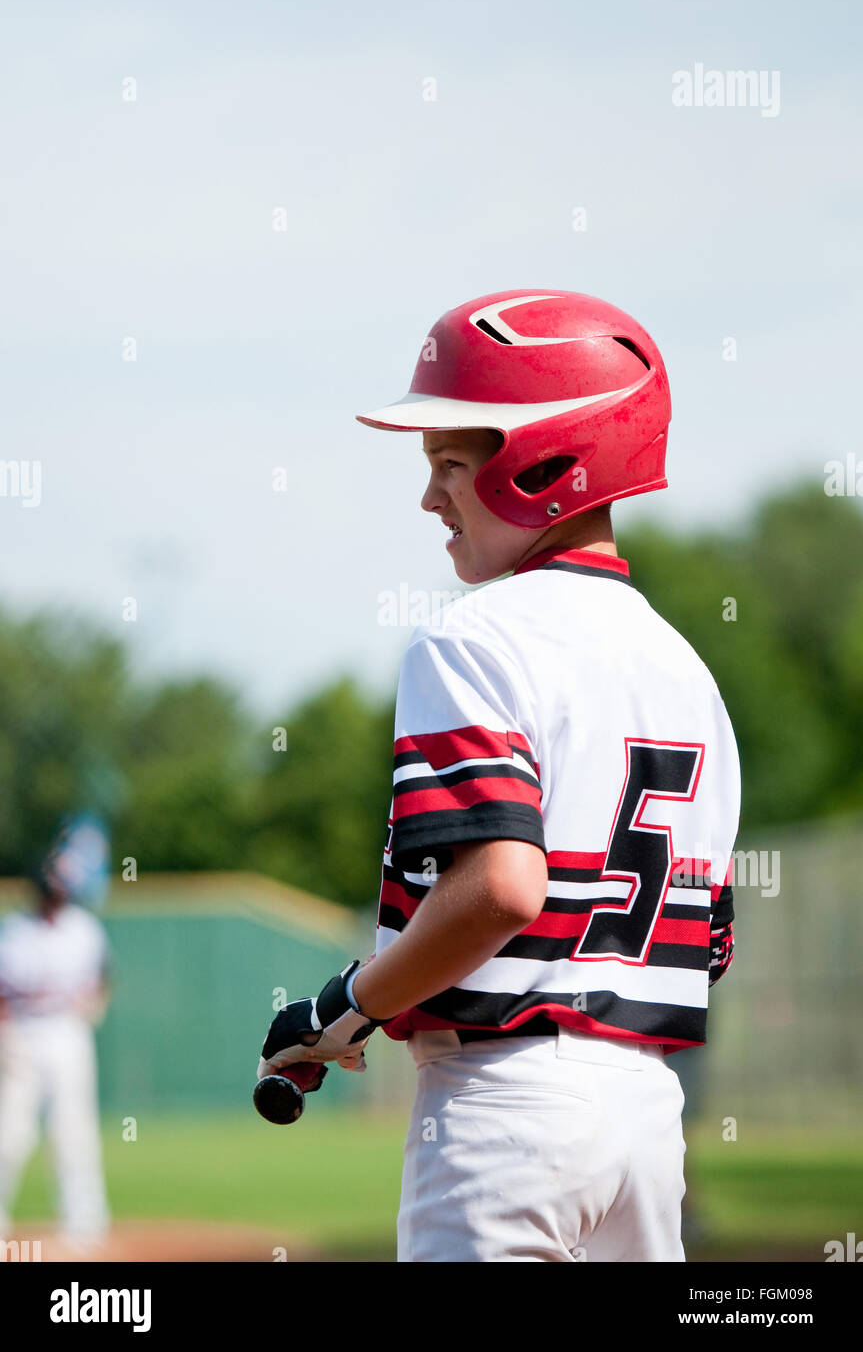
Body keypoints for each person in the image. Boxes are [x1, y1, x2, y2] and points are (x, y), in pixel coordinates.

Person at [258, 289, 740, 1262]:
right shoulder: (688, 673)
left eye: (447, 465)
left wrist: (344, 1006)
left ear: (545, 462)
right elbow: (707, 943)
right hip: (645, 1114)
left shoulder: (470, 639)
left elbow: (501, 888)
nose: (429, 499)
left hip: (503, 1110)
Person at [0, 819, 111, 1250]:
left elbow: (102, 981)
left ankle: (84, 1220)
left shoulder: (84, 929)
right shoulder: (15, 932)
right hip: (23, 1035)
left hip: (68, 1034)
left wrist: (91, 1005)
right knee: (11, 1131)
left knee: (74, 1130)